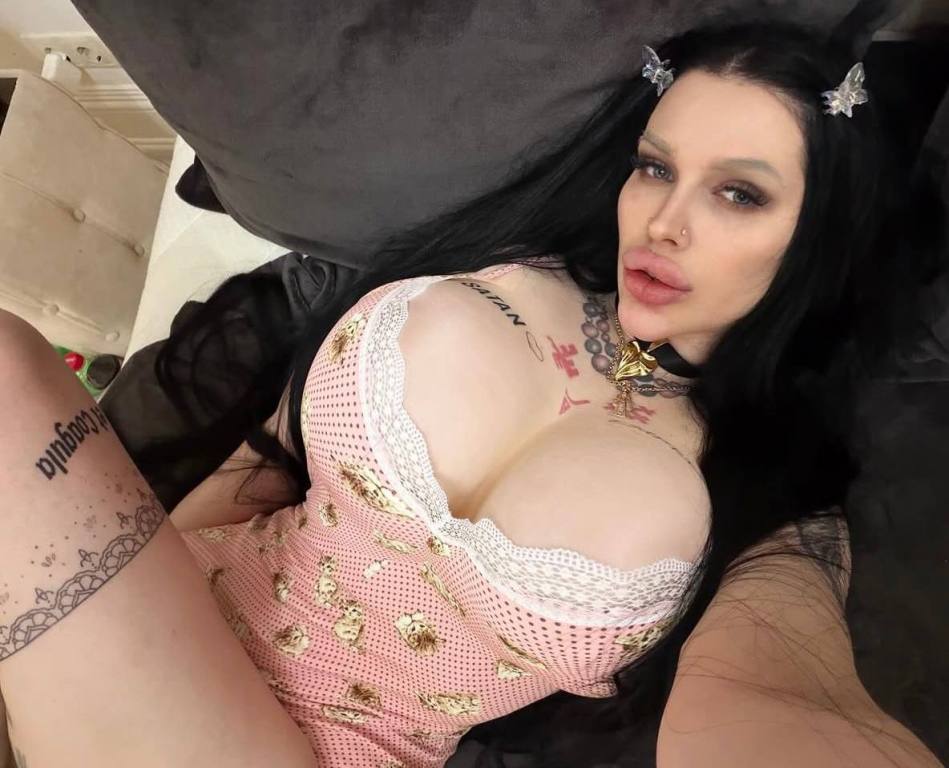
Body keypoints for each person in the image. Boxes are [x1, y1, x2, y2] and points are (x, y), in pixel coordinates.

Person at [0, 20, 942, 768]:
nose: (663, 220)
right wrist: (146, 609)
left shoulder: (769, 491)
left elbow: (783, 693)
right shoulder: (492, 267)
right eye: (655, 167)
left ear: (817, 235)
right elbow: (268, 460)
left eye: (738, 194)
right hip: (130, 630)